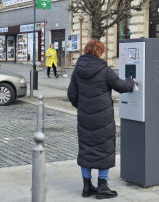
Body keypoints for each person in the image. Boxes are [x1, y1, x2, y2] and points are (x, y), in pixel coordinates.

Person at [67, 39, 135, 199]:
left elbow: (72, 94)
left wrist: (83, 107)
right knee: (104, 149)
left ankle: (87, 187)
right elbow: (122, 86)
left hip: (84, 117)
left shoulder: (77, 70)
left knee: (86, 148)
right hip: (103, 118)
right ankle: (102, 187)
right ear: (99, 52)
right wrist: (131, 81)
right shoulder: (104, 70)